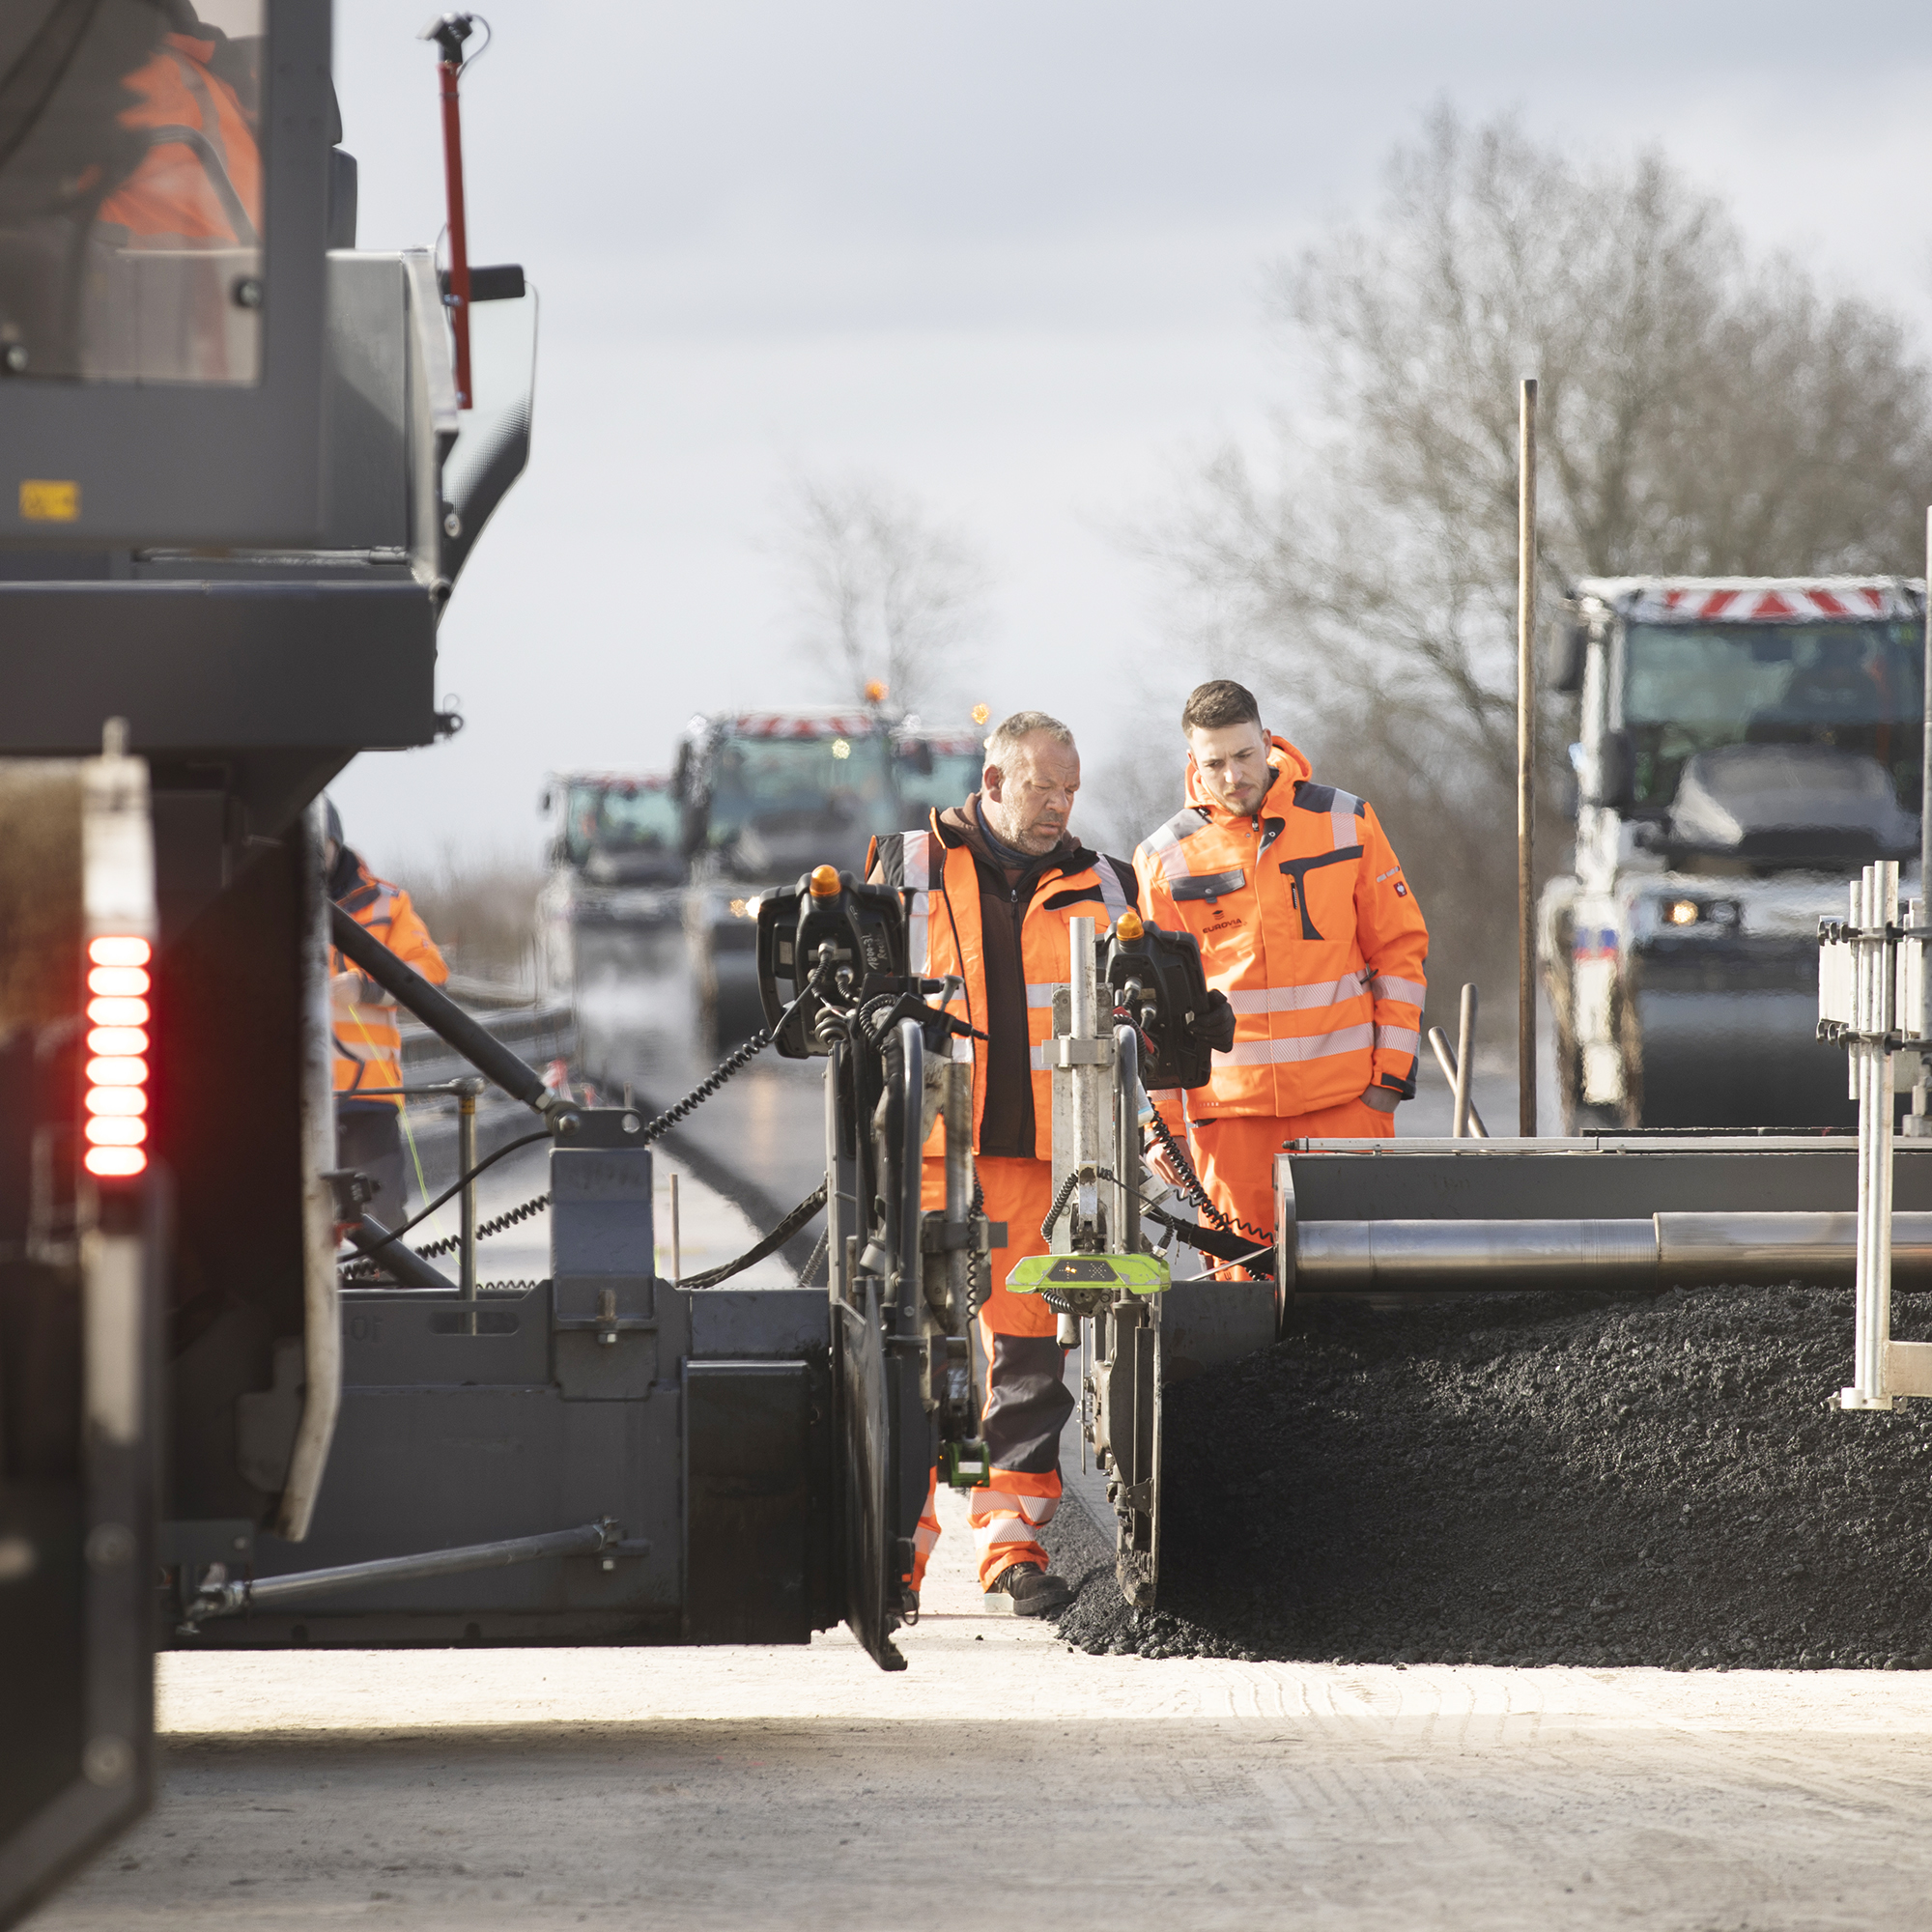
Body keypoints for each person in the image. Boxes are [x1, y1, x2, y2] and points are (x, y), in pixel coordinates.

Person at [867, 710, 1136, 1616]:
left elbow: (1139, 1021)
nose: (1059, 804)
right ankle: (897, 1555)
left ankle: (1009, 1547)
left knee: (1022, 1359)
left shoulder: (1107, 885)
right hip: (925, 1150)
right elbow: (848, 1007)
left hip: (1036, 1162)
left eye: (1070, 789)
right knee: (924, 1351)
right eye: (1040, 788)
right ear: (990, 784)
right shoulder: (903, 873)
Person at [1133, 680, 1429, 1269]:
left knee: (1361, 1284)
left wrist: (1387, 1083)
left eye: (1244, 756)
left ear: (1267, 742)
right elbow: (1154, 1011)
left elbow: (1398, 952)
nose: (1232, 776)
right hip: (1230, 1124)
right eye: (1214, 763)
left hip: (1347, 1107)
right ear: (1193, 762)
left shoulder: (1348, 821)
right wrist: (1164, 1124)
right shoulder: (1166, 858)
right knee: (1243, 1300)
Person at [326, 799, 449, 1226]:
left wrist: (366, 987)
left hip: (368, 1097)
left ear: (335, 844)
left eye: (317, 846)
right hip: (296, 1099)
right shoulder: (267, 899)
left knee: (381, 1222)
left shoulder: (388, 903)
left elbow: (430, 973)